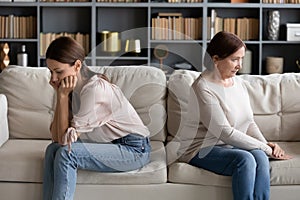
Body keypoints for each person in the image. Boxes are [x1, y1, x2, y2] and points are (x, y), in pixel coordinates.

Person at [177, 31, 291, 200]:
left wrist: (266, 145)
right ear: (215, 59)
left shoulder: (237, 82)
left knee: (260, 156)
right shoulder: (202, 88)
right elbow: (225, 132)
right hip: (200, 149)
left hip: (230, 145)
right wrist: (267, 149)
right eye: (234, 59)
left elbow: (249, 122)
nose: (239, 65)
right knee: (245, 159)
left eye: (241, 59)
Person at [43, 36, 151, 200]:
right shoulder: (70, 89)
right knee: (52, 150)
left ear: (77, 65)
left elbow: (65, 143)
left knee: (67, 154)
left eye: (58, 72)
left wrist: (63, 96)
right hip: (110, 144)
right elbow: (57, 138)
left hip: (134, 149)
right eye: (51, 72)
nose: (53, 79)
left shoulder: (94, 90)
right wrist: (61, 96)